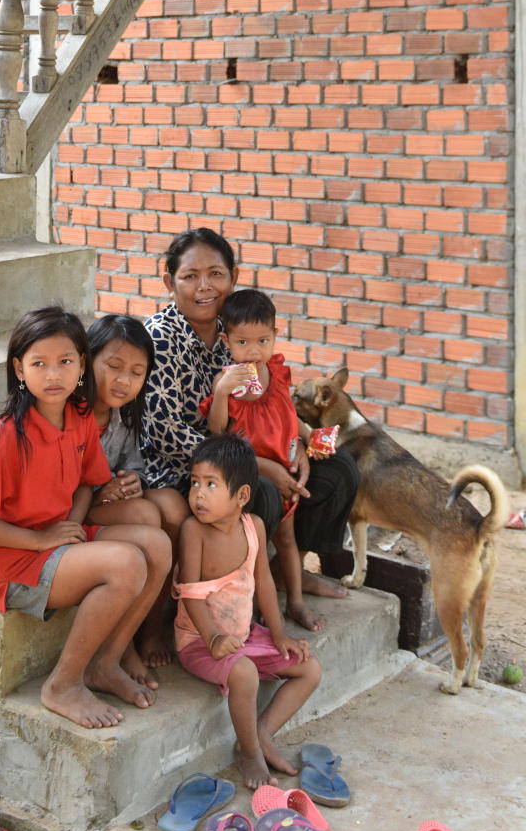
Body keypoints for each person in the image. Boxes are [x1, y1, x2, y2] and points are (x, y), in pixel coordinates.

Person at [0, 305, 171, 730]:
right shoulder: (5, 437)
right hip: (15, 561)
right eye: (40, 364)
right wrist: (41, 541)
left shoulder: (80, 416)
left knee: (157, 544)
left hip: (55, 538)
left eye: (65, 362)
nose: (53, 374)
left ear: (81, 365)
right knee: (126, 562)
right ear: (19, 369)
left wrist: (70, 528)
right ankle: (63, 685)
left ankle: (105, 663)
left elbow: (88, 483)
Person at [141, 225, 359, 599]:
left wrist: (297, 448)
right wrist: (256, 463)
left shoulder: (242, 328)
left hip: (252, 448)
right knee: (260, 490)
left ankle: (286, 567)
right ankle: (247, 589)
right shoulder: (160, 337)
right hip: (183, 468)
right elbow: (166, 434)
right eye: (190, 276)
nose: (204, 286)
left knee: (338, 470)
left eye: (216, 274)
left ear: (234, 277)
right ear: (169, 281)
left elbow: (274, 403)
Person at [175, 434, 322, 789]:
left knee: (310, 669)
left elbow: (265, 583)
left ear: (241, 496)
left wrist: (277, 632)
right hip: (199, 641)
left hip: (243, 636)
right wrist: (212, 638)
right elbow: (191, 594)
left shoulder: (253, 527)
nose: (198, 494)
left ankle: (261, 733)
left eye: (211, 484)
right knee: (244, 674)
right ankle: (251, 754)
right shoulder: (193, 531)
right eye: (195, 483)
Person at [201, 286, 319, 632]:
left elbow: (286, 412)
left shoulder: (278, 372)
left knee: (287, 539)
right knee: (253, 545)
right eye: (242, 343)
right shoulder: (228, 380)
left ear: (275, 336)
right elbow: (218, 430)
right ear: (226, 340)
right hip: (251, 476)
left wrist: (308, 437)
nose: (253, 352)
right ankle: (252, 610)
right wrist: (221, 391)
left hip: (287, 466)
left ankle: (295, 601)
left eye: (262, 341)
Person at [84, 313, 189, 666]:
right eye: (114, 367)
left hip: (109, 501)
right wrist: (104, 491)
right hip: (75, 510)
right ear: (87, 360)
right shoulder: (71, 416)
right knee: (146, 514)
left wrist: (132, 481)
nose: (123, 381)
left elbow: (133, 466)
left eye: (136, 373)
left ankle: (151, 623)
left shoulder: (121, 416)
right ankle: (126, 641)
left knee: (171, 506)